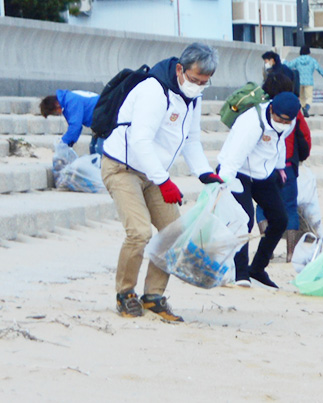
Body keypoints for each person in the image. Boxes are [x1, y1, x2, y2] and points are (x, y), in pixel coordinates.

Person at [101, 43, 224, 322]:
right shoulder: (153, 91)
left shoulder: (194, 96)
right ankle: (125, 293)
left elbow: (191, 139)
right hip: (123, 168)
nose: (198, 86)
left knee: (174, 233)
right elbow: (140, 141)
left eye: (204, 83)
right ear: (180, 69)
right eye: (194, 80)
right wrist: (165, 181)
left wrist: (204, 172)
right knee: (140, 232)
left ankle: (153, 296)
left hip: (154, 173)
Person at [216, 92, 302, 289]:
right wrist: (224, 182)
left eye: (287, 120)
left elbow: (279, 144)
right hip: (237, 172)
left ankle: (257, 268)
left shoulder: (289, 123)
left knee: (280, 219)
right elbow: (233, 156)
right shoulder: (252, 123)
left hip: (262, 175)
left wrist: (280, 167)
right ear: (271, 109)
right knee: (243, 219)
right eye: (279, 118)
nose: (283, 123)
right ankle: (240, 273)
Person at [254, 71, 312, 262]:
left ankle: (267, 249)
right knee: (290, 207)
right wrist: (301, 157)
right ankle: (290, 253)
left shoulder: (261, 107)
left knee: (262, 208)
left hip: (263, 167)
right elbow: (305, 138)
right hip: (287, 166)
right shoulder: (293, 108)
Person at [40, 90, 102, 154]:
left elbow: (75, 126)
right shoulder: (67, 102)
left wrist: (63, 142)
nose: (57, 114)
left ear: (56, 104)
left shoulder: (71, 102)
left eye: (55, 112)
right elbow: (76, 128)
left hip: (105, 117)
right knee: (93, 148)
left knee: (99, 150)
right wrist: (70, 143)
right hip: (99, 121)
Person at [284, 45, 323, 116]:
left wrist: (284, 61)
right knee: (309, 97)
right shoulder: (312, 60)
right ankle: (306, 108)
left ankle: (302, 110)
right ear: (308, 52)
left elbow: (289, 65)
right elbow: (319, 69)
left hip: (299, 82)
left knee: (301, 98)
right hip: (309, 82)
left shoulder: (297, 60)